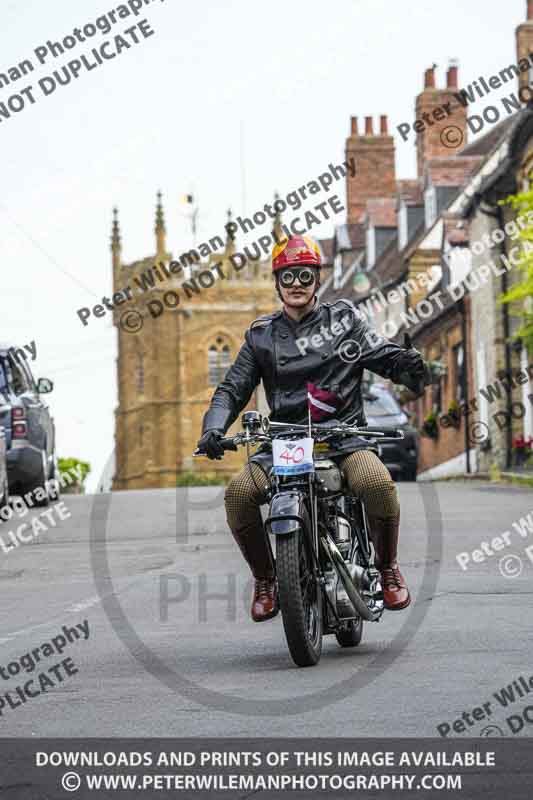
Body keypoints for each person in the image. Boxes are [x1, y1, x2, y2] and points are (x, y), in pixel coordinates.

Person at [197, 234, 431, 622]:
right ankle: (266, 579)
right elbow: (232, 388)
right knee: (239, 494)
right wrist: (214, 427)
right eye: (287, 277)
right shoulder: (261, 336)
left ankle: (387, 568)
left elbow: (380, 352)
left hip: (344, 438)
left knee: (376, 483)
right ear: (276, 282)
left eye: (304, 275)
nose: (296, 285)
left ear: (317, 279)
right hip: (285, 441)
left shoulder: (345, 320)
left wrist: (407, 364)